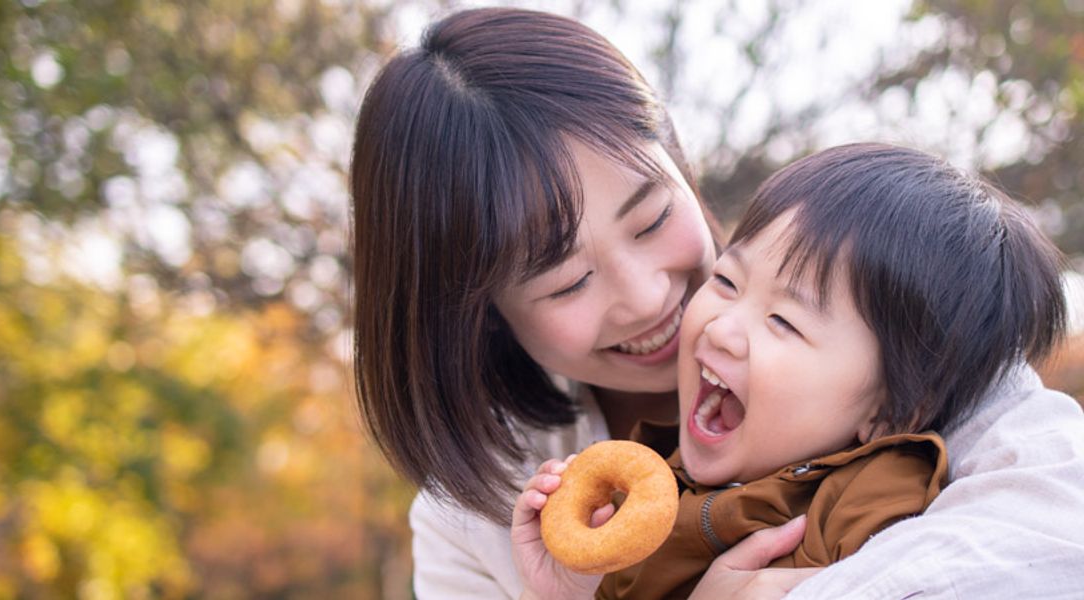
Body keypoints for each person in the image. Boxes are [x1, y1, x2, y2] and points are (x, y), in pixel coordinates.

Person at [348, 7, 1084, 599]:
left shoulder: (899, 320)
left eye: (651, 219)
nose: (648, 297)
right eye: (567, 282)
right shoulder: (476, 524)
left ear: (674, 156)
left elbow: (1054, 525)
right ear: (477, 314)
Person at [510, 142, 1068, 599]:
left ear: (891, 410)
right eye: (727, 282)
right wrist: (573, 591)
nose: (720, 326)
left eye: (784, 322)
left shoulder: (864, 515)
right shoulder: (659, 482)